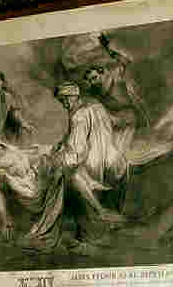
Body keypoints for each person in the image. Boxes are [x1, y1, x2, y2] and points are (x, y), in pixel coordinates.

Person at [51, 81, 128, 252]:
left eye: (65, 99)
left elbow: (77, 152)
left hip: (94, 167)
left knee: (69, 178)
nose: (64, 104)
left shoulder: (78, 116)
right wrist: (64, 142)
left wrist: (58, 160)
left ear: (73, 95)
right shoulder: (96, 106)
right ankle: (107, 223)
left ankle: (89, 234)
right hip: (116, 163)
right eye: (61, 101)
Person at [0, 133, 63, 252]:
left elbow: (23, 153)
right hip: (26, 187)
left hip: (33, 175)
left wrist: (39, 150)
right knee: (57, 172)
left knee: (53, 157)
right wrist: (5, 219)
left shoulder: (6, 148)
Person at [83, 33, 150, 150]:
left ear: (101, 72)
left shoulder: (116, 76)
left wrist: (105, 45)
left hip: (129, 117)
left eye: (94, 78)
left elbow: (124, 61)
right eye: (90, 80)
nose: (93, 82)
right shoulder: (95, 92)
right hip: (116, 122)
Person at [0, 70, 35, 146]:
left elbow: (15, 112)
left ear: (2, 82)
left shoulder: (5, 95)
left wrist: (24, 124)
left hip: (4, 129)